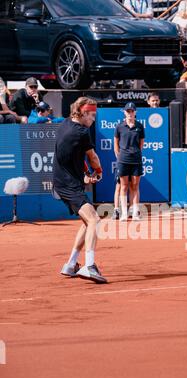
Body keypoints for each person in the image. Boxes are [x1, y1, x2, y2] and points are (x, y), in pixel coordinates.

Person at [53, 97, 107, 284]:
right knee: (94, 220)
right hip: (69, 184)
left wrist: (84, 173)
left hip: (64, 181)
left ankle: (70, 264)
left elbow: (73, 154)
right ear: (83, 113)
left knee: (87, 222)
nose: (93, 119)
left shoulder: (65, 124)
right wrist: (98, 172)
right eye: (92, 115)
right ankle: (89, 266)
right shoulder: (83, 132)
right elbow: (92, 157)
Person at [114, 102, 145, 221]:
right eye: (128, 111)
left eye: (132, 111)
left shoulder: (140, 126)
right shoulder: (119, 126)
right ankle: (123, 214)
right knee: (124, 186)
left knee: (135, 186)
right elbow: (116, 144)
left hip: (136, 160)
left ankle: (135, 213)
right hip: (123, 160)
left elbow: (141, 144)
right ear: (125, 112)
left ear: (135, 112)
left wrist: (135, 153)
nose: (130, 113)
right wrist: (120, 157)